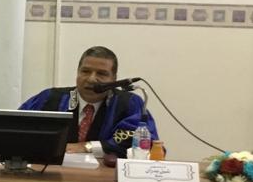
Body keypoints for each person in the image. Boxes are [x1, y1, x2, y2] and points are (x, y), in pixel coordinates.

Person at [19, 45, 157, 158]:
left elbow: (143, 144)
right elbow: (16, 130)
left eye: (101, 74)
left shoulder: (128, 104)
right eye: (85, 71)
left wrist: (87, 147)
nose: (91, 79)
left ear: (114, 79)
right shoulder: (49, 99)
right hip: (52, 175)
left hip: (106, 179)